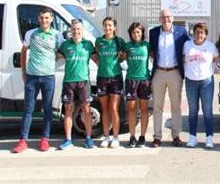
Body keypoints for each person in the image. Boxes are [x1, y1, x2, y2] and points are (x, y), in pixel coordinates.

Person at [12, 7, 63, 153]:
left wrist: (52, 57)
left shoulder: (57, 35)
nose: (44, 20)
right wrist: (23, 71)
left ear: (51, 19)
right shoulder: (31, 34)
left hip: (48, 77)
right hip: (32, 77)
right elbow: (23, 51)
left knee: (47, 110)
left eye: (47, 18)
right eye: (41, 18)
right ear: (38, 19)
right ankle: (23, 140)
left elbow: (62, 52)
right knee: (28, 109)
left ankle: (45, 139)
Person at [149, 9, 189, 147]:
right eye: (163, 17)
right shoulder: (153, 32)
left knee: (176, 106)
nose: (166, 19)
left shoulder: (181, 32)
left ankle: (176, 135)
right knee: (157, 106)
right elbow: (151, 50)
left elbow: (189, 48)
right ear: (159, 19)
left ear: (172, 18)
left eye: (168, 17)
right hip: (159, 72)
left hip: (175, 72)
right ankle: (157, 137)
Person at [57, 19, 96, 150]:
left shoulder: (88, 45)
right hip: (69, 82)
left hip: (83, 82)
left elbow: (98, 60)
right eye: (73, 29)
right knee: (68, 110)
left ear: (82, 30)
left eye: (78, 29)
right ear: (71, 30)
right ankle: (68, 139)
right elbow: (55, 56)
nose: (76, 31)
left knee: (86, 110)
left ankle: (89, 138)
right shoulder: (65, 45)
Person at [183, 23, 219, 148]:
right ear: (194, 33)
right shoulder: (187, 45)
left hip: (206, 82)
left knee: (207, 110)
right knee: (193, 110)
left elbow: (218, 60)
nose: (199, 34)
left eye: (202, 32)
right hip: (190, 81)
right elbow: (182, 58)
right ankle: (193, 137)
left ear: (205, 34)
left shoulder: (211, 46)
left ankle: (209, 137)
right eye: (197, 32)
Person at [95, 17, 126, 149]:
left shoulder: (119, 41)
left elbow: (123, 57)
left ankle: (115, 137)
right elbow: (96, 57)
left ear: (114, 28)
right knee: (105, 109)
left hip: (116, 77)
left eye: (110, 26)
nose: (107, 28)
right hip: (102, 77)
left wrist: (118, 59)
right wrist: (102, 65)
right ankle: (106, 136)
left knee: (114, 108)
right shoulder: (98, 41)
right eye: (105, 25)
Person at [123, 22, 152, 148]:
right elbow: (120, 59)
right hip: (131, 80)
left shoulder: (147, 46)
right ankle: (132, 137)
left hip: (144, 80)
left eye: (138, 32)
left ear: (142, 33)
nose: (136, 34)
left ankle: (142, 137)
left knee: (144, 109)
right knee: (131, 109)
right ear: (131, 34)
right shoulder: (127, 46)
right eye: (134, 32)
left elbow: (156, 57)